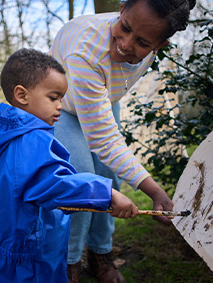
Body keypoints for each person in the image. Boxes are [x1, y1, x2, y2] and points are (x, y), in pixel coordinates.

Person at [49, 0, 197, 282]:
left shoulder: (148, 39)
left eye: (141, 42)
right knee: (82, 181)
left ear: (159, 45)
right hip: (63, 106)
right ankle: (67, 264)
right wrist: (155, 191)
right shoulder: (87, 51)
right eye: (124, 28)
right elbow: (104, 140)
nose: (126, 44)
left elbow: (103, 124)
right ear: (120, 11)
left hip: (100, 96)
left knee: (109, 178)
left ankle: (100, 254)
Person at [0, 48, 139, 282]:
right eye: (54, 97)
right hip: (30, 257)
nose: (60, 105)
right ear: (22, 95)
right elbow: (58, 185)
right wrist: (107, 194)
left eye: (61, 98)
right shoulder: (32, 142)